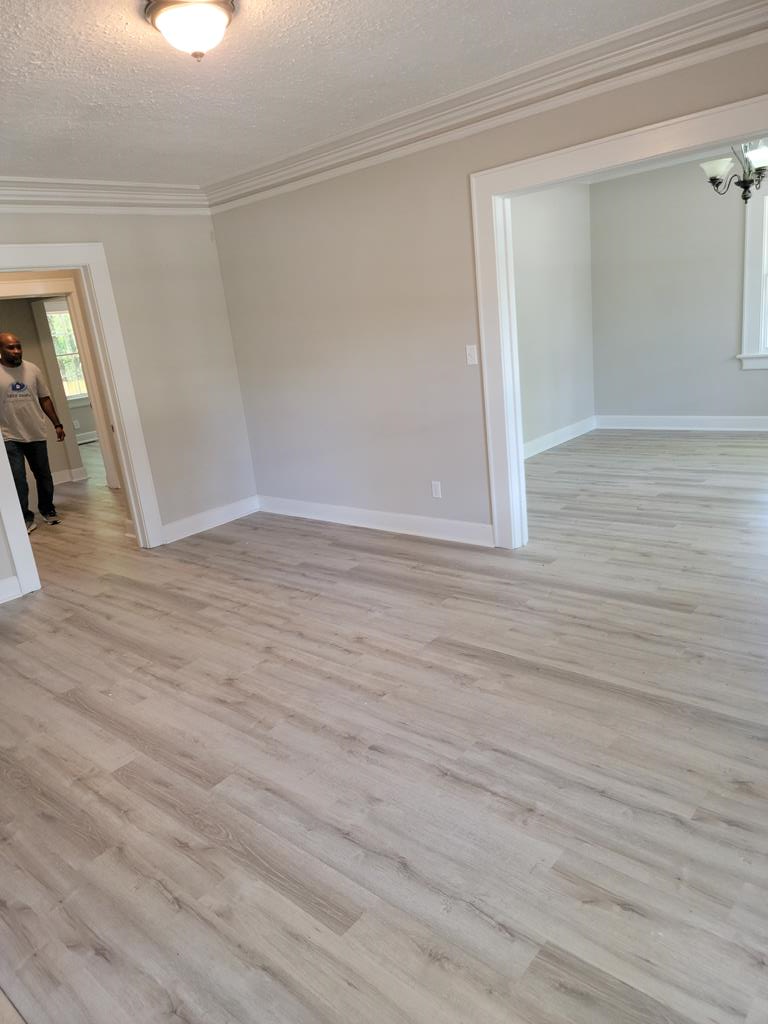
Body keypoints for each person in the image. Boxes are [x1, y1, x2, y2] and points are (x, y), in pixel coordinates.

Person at [0, 332, 66, 533]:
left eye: (18, 346)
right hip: (9, 435)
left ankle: (47, 509)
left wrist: (57, 424)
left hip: (36, 432)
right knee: (18, 479)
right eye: (11, 347)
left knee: (43, 475)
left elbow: (44, 398)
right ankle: (25, 517)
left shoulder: (32, 369)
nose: (16, 350)